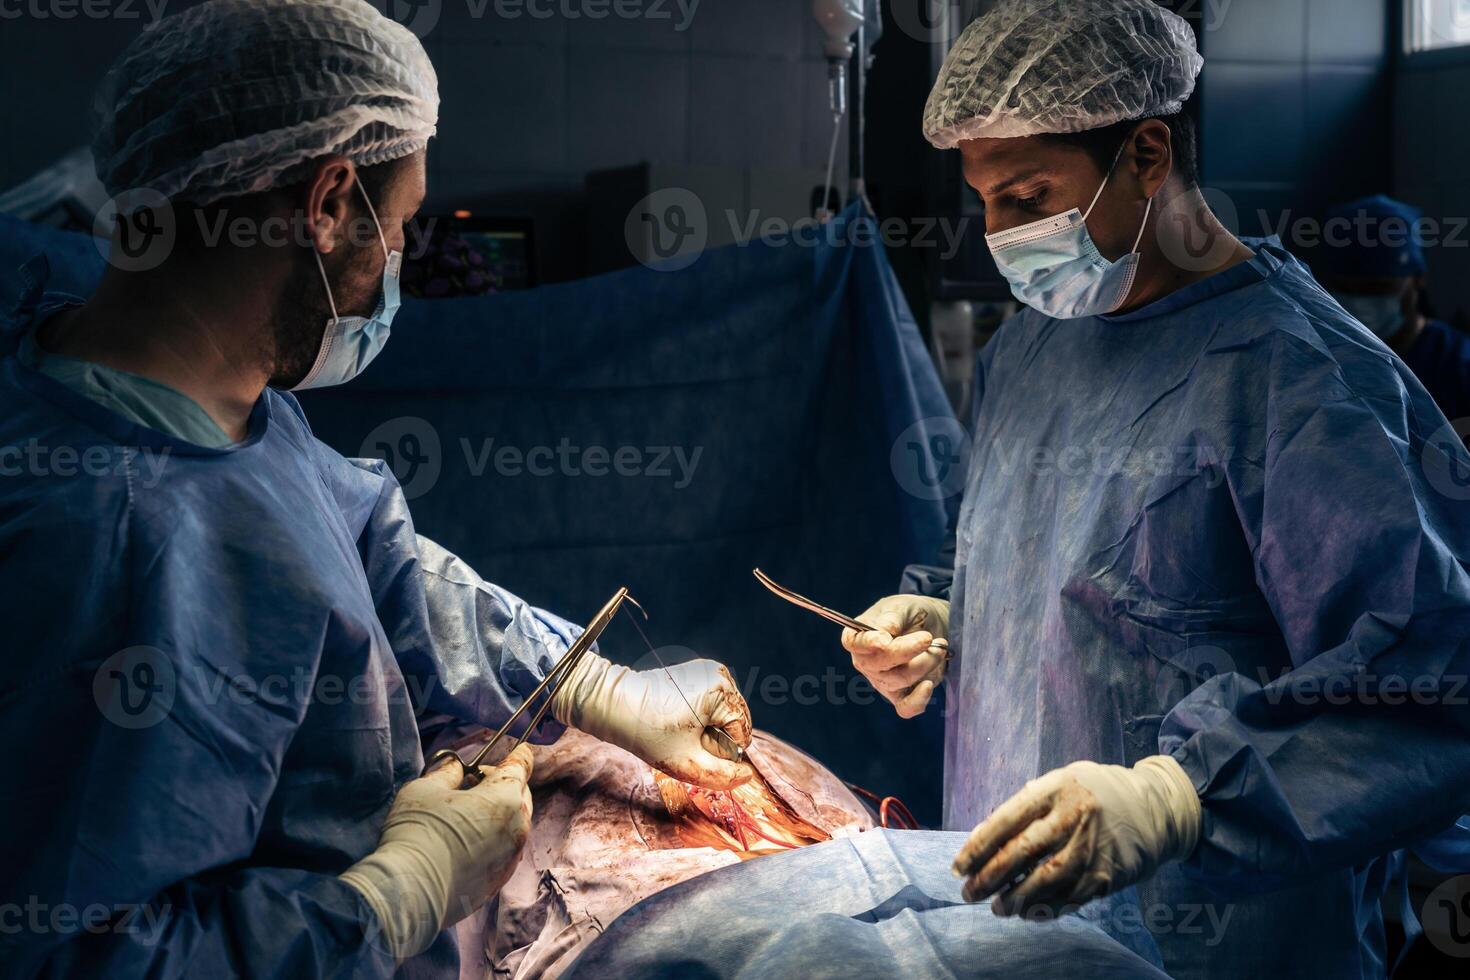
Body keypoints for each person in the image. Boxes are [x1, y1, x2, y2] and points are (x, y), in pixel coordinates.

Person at [0, 1, 753, 976]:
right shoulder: (96, 537)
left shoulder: (226, 411)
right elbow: (73, 957)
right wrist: (398, 890)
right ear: (327, 202)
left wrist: (593, 681)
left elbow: (369, 561)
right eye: (396, 230)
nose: (394, 260)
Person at [841, 1, 1470, 978]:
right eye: (986, 200)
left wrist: (1180, 798)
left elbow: (1427, 690)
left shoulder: (1297, 383)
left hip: (1223, 945)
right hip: (1019, 931)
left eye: (1029, 194)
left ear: (1145, 154)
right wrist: (951, 620)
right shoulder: (1032, 346)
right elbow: (1049, 563)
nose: (1000, 235)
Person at [1317, 194, 1470, 423]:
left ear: (1419, 279)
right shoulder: (1319, 364)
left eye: (1378, 288)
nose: (1360, 301)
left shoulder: (1459, 366)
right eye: (1345, 289)